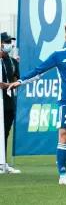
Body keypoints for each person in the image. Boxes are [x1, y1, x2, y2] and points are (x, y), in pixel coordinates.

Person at [9, 23, 66, 185]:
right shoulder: (58, 55)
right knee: (64, 136)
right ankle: (62, 175)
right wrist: (20, 81)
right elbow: (39, 71)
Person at [0, 32, 20, 174]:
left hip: (8, 102)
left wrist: (8, 85)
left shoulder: (13, 61)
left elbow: (17, 80)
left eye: (10, 42)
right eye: (6, 41)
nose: (9, 44)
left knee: (5, 133)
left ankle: (3, 162)